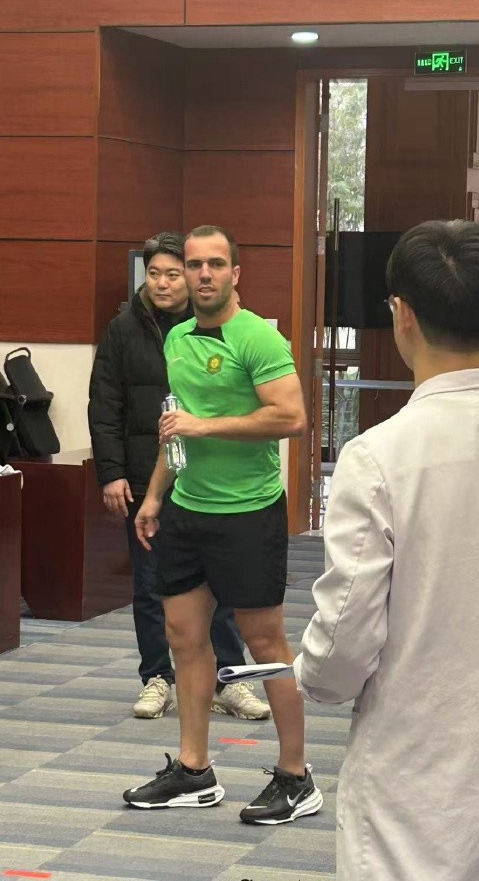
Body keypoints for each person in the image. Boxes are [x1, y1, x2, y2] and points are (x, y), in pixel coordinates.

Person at [294, 220, 479, 880]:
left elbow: (343, 646)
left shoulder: (377, 457)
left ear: (401, 314)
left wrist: (311, 673)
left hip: (414, 775)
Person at [124, 225, 322, 825]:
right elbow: (176, 428)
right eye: (194, 265)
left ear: (236, 273)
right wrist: (154, 496)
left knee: (265, 646)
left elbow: (292, 418)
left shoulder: (256, 336)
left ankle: (297, 777)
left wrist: (203, 427)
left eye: (215, 264)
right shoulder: (177, 338)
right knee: (184, 637)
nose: (203, 274)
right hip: (188, 510)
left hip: (248, 513)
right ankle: (194, 771)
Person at [88, 231, 269, 721]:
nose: (164, 283)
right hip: (145, 475)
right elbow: (104, 405)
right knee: (150, 584)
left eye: (173, 273)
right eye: (155, 274)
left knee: (220, 584)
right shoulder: (122, 330)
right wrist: (111, 473)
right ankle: (156, 677)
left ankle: (228, 680)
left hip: (208, 477)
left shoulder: (214, 326)